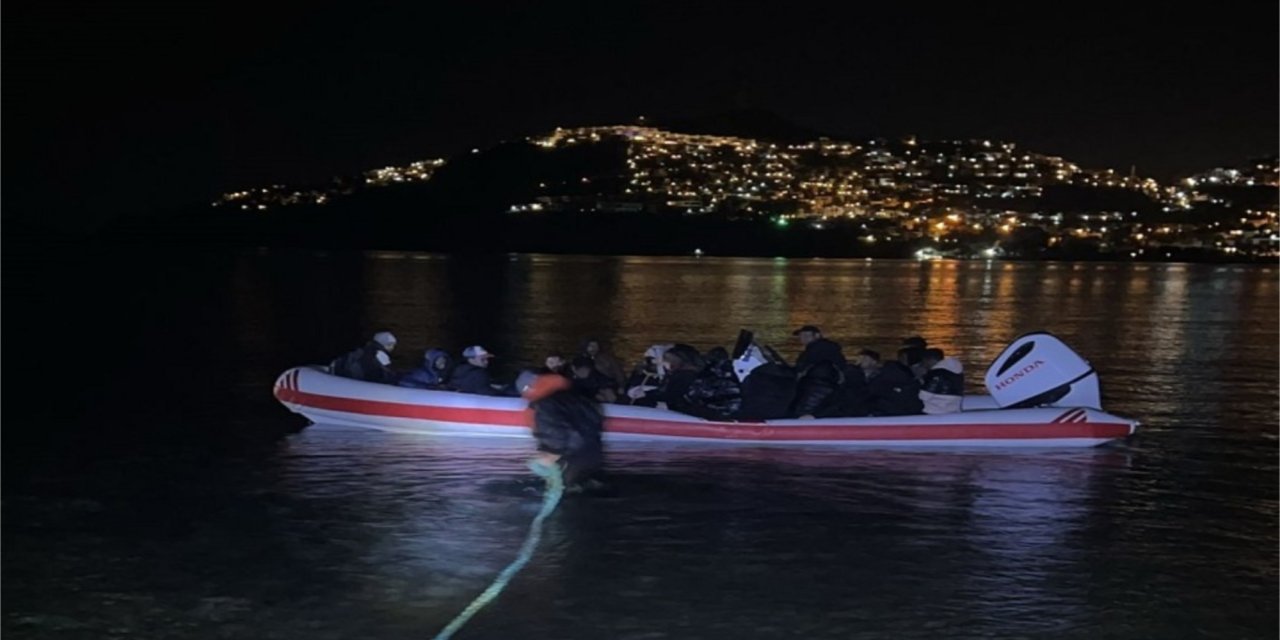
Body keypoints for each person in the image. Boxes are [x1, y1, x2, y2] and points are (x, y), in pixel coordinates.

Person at [517, 372, 606, 490]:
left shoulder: (544, 405)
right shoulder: (577, 396)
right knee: (589, 489)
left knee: (562, 492)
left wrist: (551, 454)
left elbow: (554, 434)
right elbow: (596, 420)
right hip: (594, 454)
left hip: (571, 457)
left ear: (528, 390)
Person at [331, 331, 398, 383]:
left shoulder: (363, 350)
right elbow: (387, 373)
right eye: (391, 345)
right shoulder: (380, 354)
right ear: (385, 344)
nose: (392, 348)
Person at [919, 348, 964, 414]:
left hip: (934, 411)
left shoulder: (936, 374)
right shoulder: (955, 372)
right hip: (952, 410)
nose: (924, 365)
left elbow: (923, 395)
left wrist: (922, 378)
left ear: (929, 360)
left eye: (923, 362)